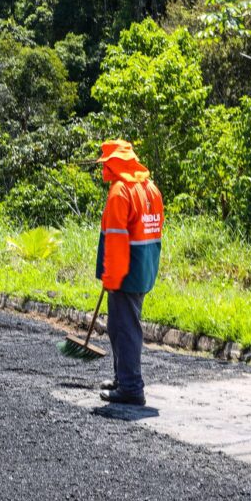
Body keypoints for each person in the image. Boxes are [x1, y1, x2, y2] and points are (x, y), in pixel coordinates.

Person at [94, 139, 163, 407]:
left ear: (116, 163)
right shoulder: (150, 188)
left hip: (126, 272)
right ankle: (122, 378)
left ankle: (132, 387)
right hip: (144, 268)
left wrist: (112, 276)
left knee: (125, 328)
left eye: (107, 163)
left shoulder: (120, 192)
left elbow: (117, 239)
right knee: (118, 325)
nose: (104, 168)